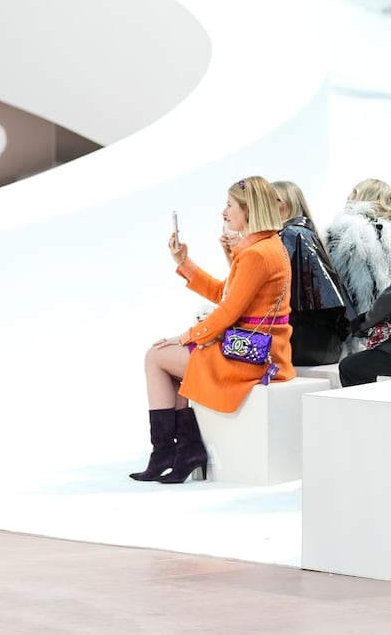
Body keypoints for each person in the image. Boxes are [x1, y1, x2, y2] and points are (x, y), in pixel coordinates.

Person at [134, 177, 293, 484]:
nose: (224, 211)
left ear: (248, 211)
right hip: (256, 347)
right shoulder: (266, 247)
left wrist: (186, 337)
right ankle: (180, 452)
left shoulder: (257, 253)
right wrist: (185, 263)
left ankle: (167, 452)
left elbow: (227, 311)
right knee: (165, 359)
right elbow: (226, 294)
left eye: (230, 205)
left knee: (155, 357)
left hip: (250, 356)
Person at [268, 180, 349, 366]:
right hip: (322, 344)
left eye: (271, 201)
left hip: (300, 344)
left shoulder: (291, 235)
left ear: (285, 205)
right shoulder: (303, 233)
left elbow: (269, 287)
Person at [325, 179, 391, 368]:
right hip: (385, 330)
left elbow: (333, 284)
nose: (348, 197)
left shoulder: (344, 231)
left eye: (353, 192)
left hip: (355, 328)